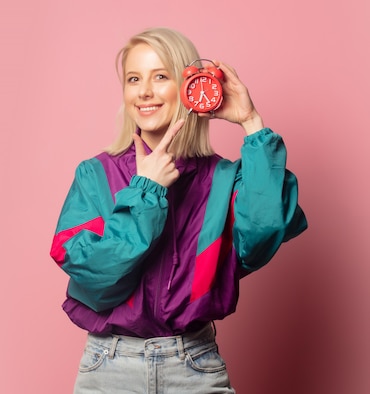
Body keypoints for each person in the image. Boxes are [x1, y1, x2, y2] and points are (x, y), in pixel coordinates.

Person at [49, 27, 308, 393]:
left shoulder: (222, 179)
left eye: (160, 77)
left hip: (194, 367)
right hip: (109, 369)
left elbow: (261, 237)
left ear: (189, 87)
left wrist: (251, 123)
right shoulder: (95, 175)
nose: (144, 92)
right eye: (134, 79)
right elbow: (93, 275)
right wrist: (146, 191)